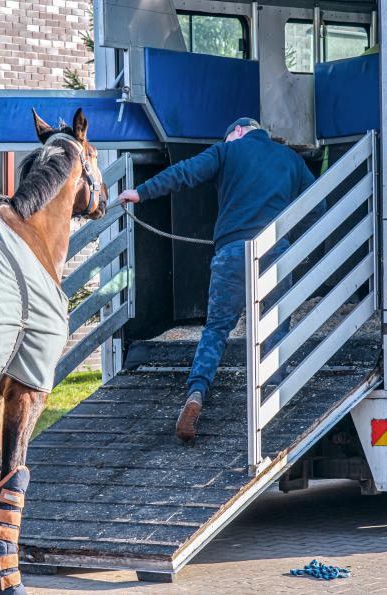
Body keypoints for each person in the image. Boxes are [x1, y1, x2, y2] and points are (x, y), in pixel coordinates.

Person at [118, 117, 317, 442]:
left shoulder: (228, 152)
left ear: (236, 132)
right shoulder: (291, 160)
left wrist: (140, 192)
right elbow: (317, 204)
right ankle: (273, 396)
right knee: (276, 323)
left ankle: (196, 394)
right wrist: (292, 241)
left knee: (216, 329)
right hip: (275, 251)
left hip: (231, 254)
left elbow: (184, 173)